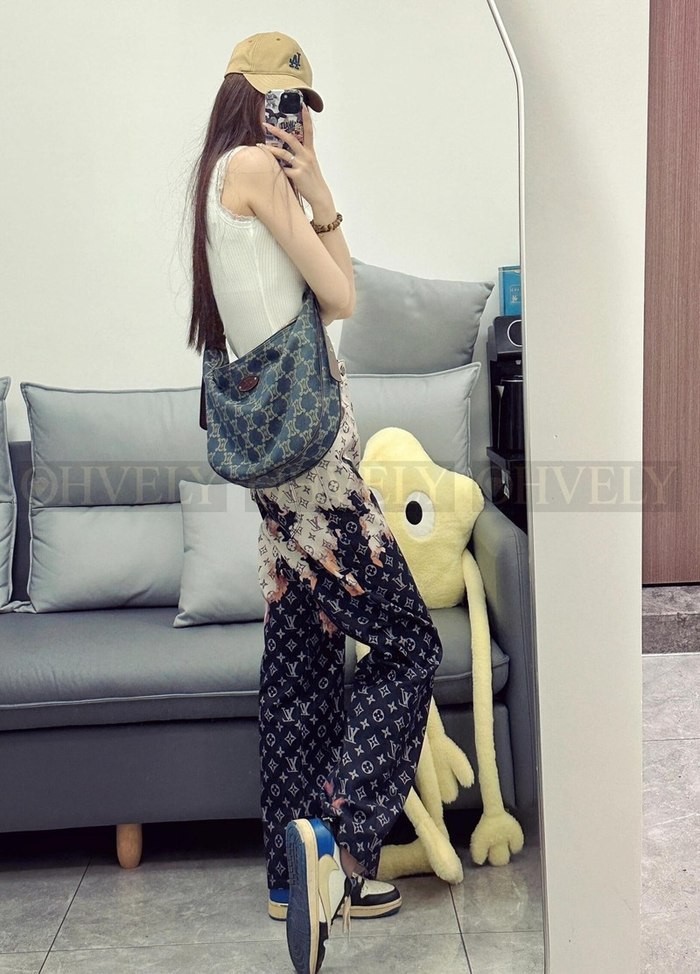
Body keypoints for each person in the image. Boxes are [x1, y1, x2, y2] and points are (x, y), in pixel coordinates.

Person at [186, 31, 443, 974]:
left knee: (299, 658)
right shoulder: (257, 170)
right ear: (244, 98)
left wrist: (318, 192)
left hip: (278, 471)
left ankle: (287, 875)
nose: (289, 121)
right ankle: (333, 840)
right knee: (411, 645)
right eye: (278, 101)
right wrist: (321, 194)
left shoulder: (224, 178)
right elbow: (341, 296)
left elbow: (323, 297)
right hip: (317, 469)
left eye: (299, 108)